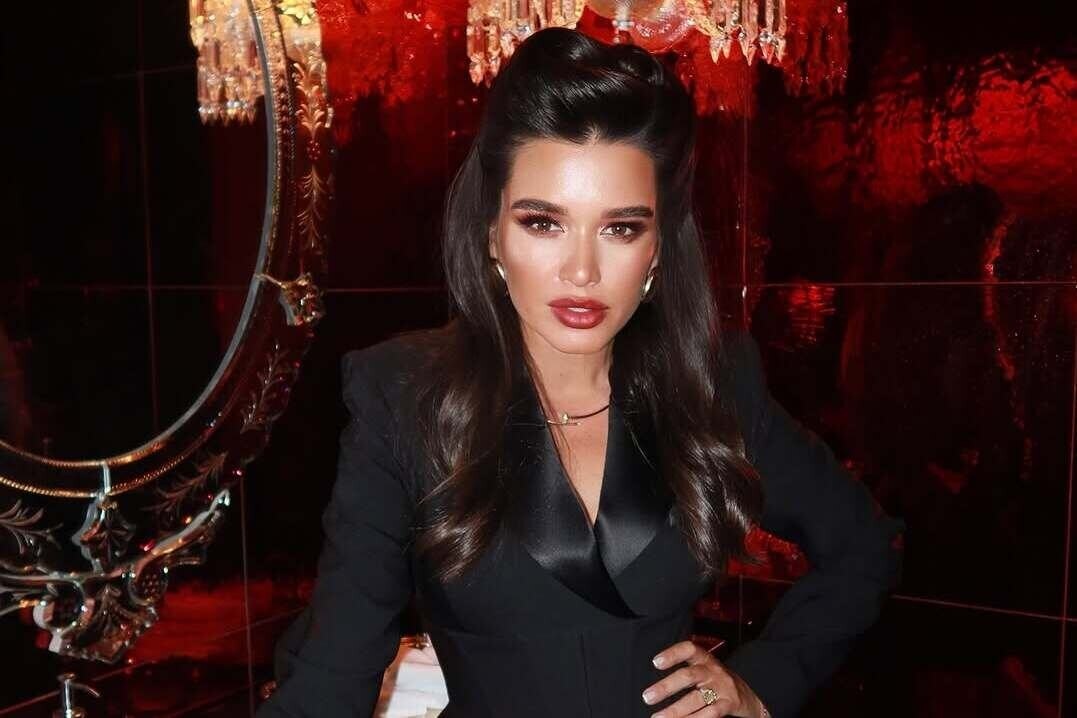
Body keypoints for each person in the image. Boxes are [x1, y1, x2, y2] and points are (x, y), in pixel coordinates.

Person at [256, 26, 905, 718]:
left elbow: (865, 546)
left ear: (657, 250)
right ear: (492, 235)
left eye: (620, 228)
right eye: (544, 223)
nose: (582, 271)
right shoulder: (406, 397)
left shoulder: (711, 385)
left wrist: (764, 682)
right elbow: (333, 668)